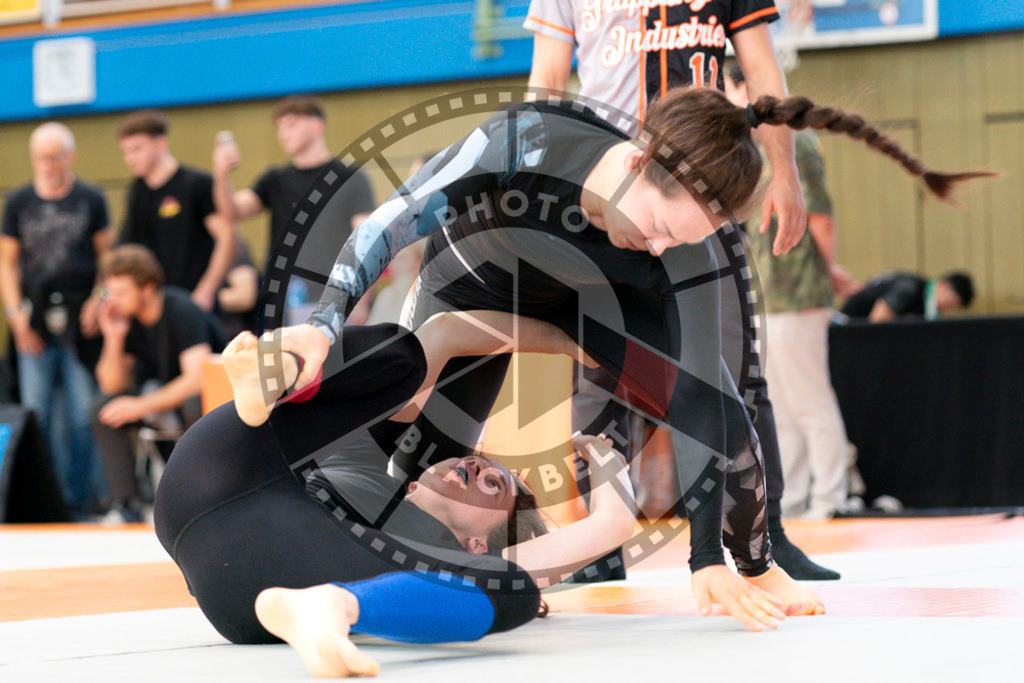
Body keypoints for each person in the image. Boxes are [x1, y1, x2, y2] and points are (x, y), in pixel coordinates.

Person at [274, 86, 986, 616]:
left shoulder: (682, 247)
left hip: (589, 317)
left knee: (732, 431)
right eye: (654, 224)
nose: (657, 244)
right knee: (413, 471)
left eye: (677, 241)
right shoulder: (530, 138)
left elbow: (713, 406)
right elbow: (390, 222)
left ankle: (758, 562)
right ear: (639, 161)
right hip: (470, 289)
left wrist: (716, 555)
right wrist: (326, 321)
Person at [154, 310, 797, 678]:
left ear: (476, 540)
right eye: (484, 465)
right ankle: (276, 379)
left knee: (516, 591)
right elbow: (455, 333)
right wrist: (589, 346)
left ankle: (328, 608)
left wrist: (606, 460)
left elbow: (612, 525)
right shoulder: (372, 460)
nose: (471, 466)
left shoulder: (439, 549)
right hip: (223, 461)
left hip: (247, 579)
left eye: (493, 485)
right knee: (403, 358)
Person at [522, 0, 837, 579]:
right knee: (599, 376)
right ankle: (602, 547)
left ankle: (769, 536)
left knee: (737, 370)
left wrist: (784, 169)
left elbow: (764, 73)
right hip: (615, 191)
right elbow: (546, 82)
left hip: (699, 190)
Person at [725, 64, 850, 519]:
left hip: (797, 293)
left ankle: (831, 496)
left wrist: (828, 269)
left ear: (745, 86)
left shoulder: (797, 143)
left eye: (727, 87)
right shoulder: (747, 144)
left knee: (811, 398)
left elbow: (820, 217)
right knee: (779, 402)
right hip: (765, 294)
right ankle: (793, 498)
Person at [0, 122, 110, 518]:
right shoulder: (18, 203)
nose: (48, 165)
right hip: (34, 321)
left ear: (70, 156)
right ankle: (42, 503)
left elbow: (107, 259)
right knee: (36, 414)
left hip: (83, 321)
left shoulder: (92, 199)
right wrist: (16, 318)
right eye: (41, 158)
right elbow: (7, 264)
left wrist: (99, 300)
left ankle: (78, 500)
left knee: (84, 414)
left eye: (55, 156)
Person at [92, 245, 224, 523]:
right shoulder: (128, 321)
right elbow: (110, 385)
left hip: (212, 403)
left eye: (122, 292)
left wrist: (140, 406)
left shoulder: (181, 309)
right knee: (104, 409)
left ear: (148, 287)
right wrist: (113, 338)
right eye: (109, 292)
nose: (113, 300)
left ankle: (207, 497)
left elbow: (197, 378)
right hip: (163, 402)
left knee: (194, 400)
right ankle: (127, 505)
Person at [211, 95, 375, 270]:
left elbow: (366, 242)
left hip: (333, 289)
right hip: (282, 291)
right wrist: (221, 174)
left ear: (317, 126)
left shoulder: (349, 176)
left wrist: (358, 293)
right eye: (279, 127)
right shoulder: (275, 179)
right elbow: (233, 211)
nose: (283, 133)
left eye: (291, 124)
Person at [116, 109, 235, 314]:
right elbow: (127, 250)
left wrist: (207, 289)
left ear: (161, 143)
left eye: (136, 149)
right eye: (125, 151)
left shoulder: (196, 183)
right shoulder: (136, 191)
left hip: (196, 300)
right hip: (157, 306)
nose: (130, 158)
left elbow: (227, 237)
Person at [840, 271, 975, 322]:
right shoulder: (910, 288)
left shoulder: (925, 303)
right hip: (847, 329)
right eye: (951, 304)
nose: (949, 310)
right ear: (944, 286)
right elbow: (878, 318)